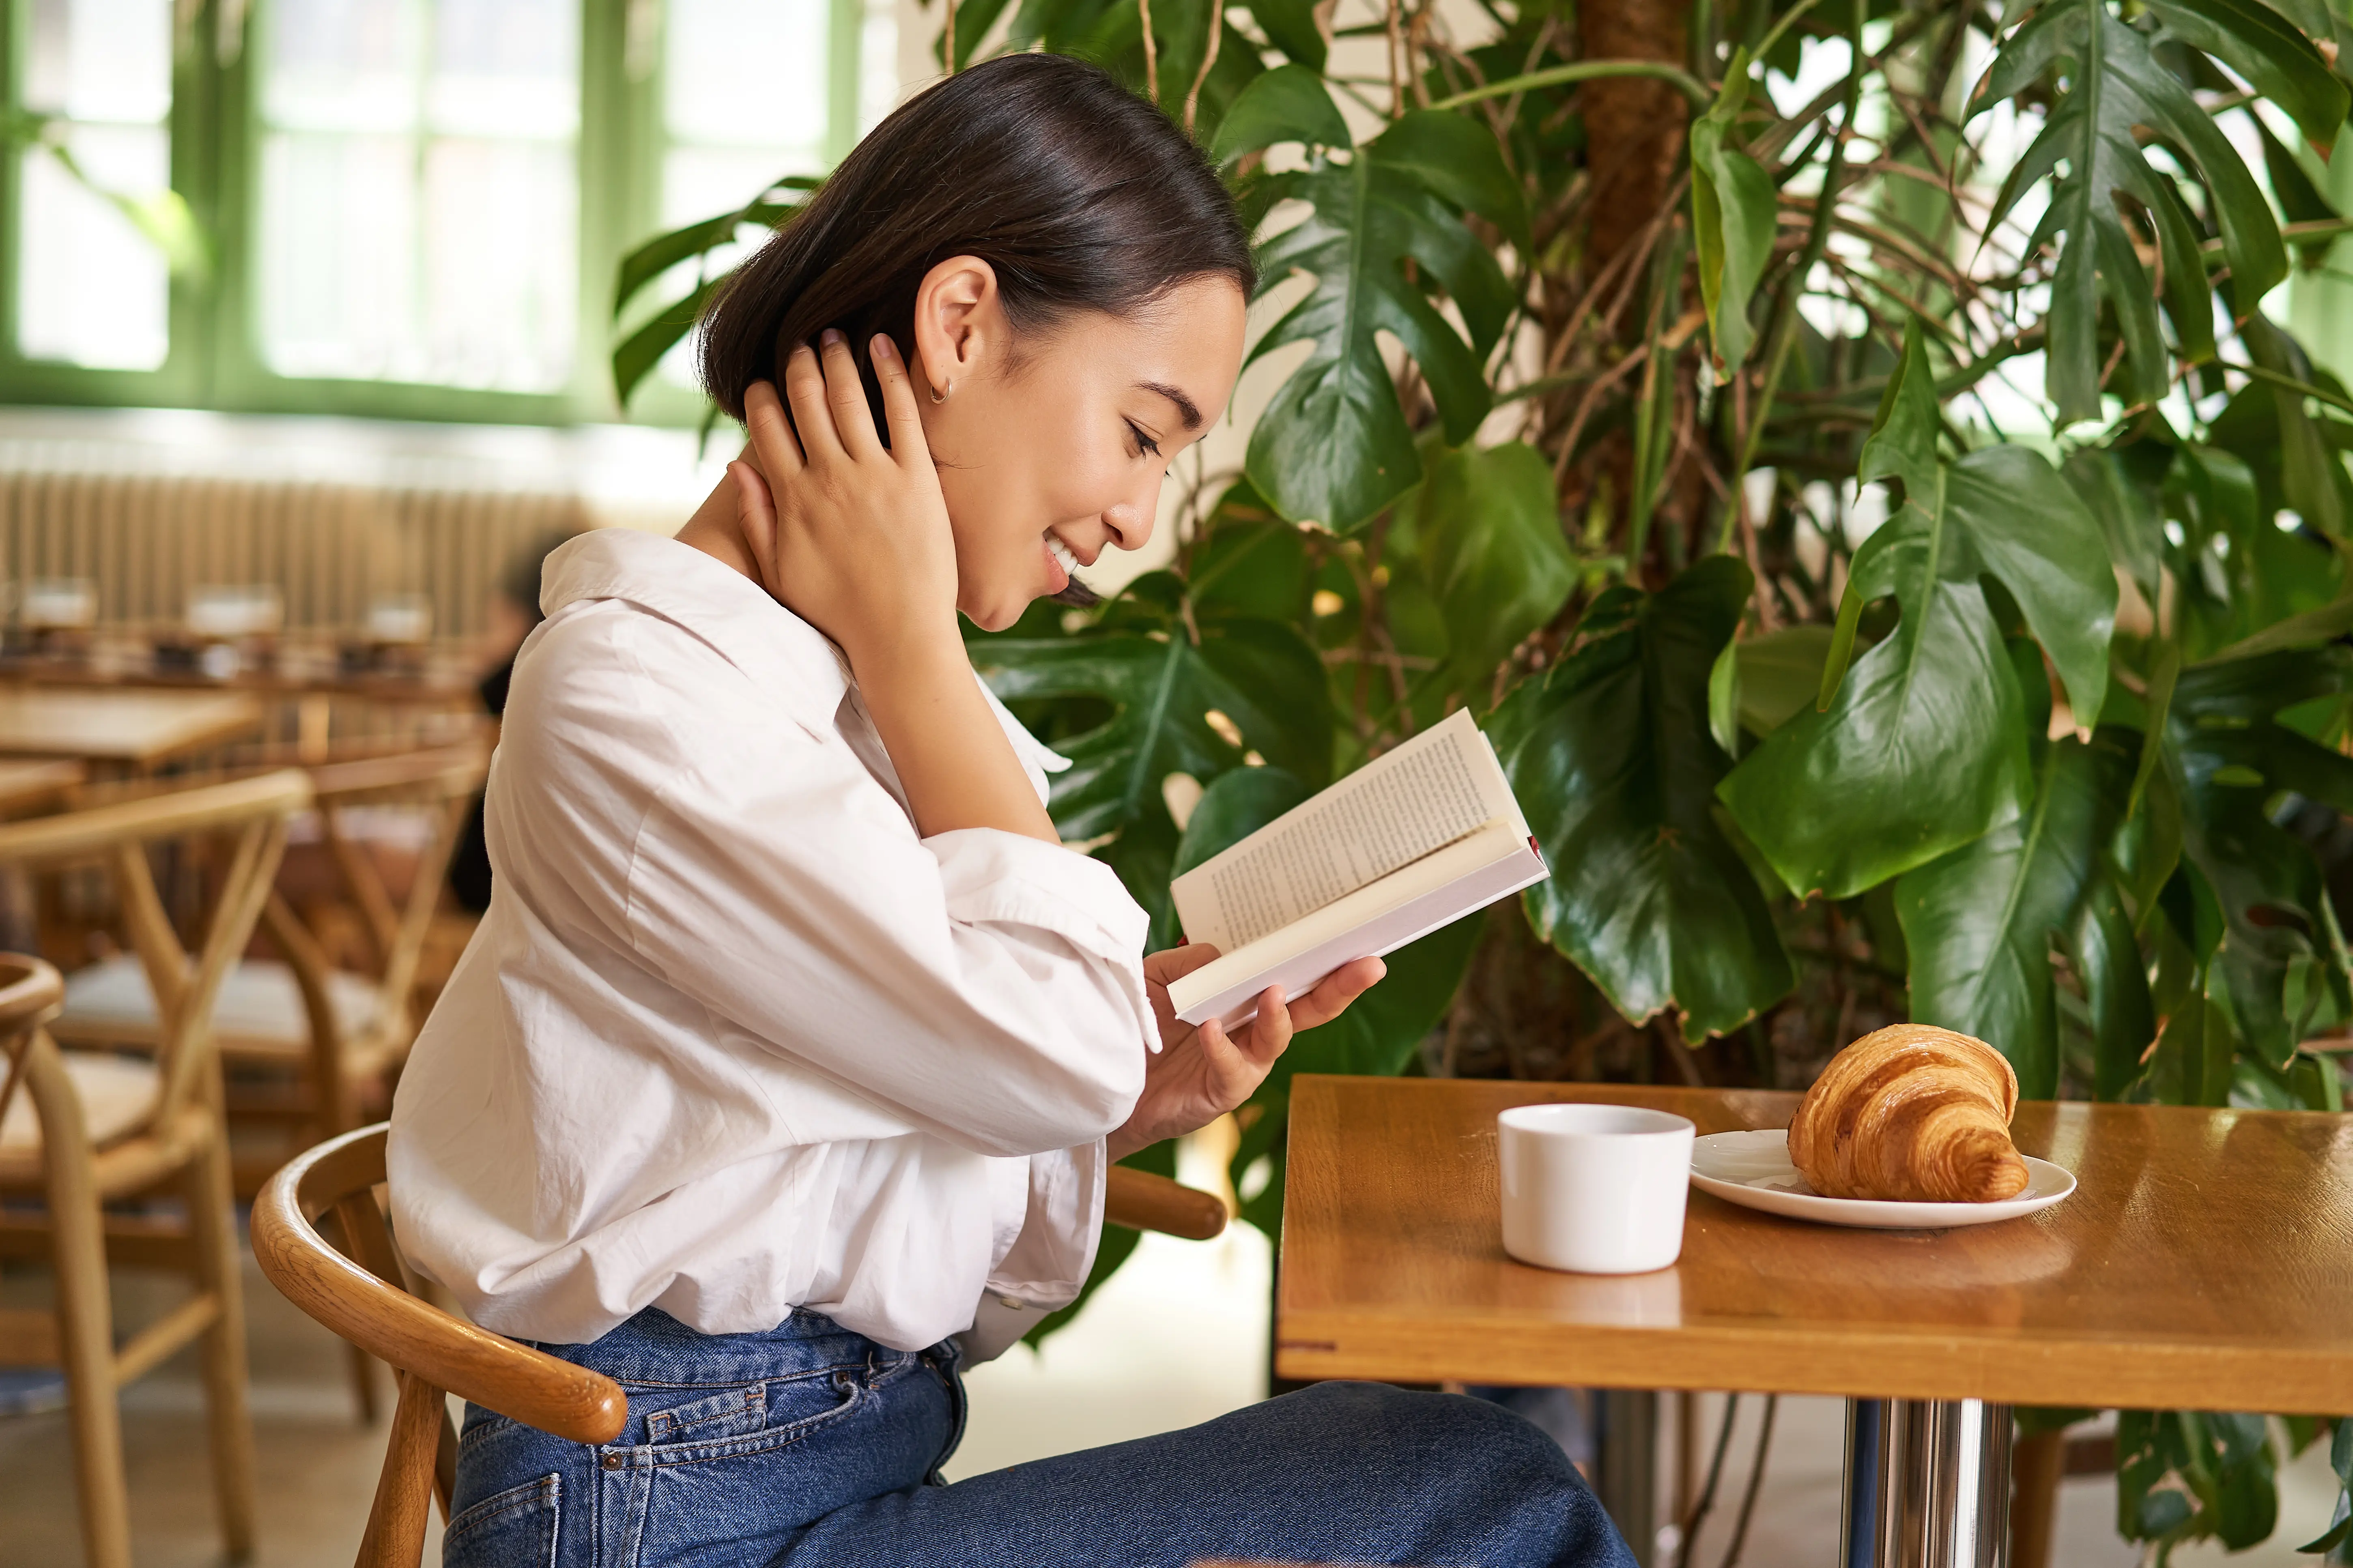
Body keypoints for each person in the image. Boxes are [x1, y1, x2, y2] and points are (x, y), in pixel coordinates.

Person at [387, 52, 1630, 1568]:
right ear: (963, 323)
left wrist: (1127, 1089)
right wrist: (917, 652)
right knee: (1484, 1495)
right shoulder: (635, 699)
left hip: (808, 1472)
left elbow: (861, 1127)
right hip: (669, 1519)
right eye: (1145, 431)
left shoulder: (822, 690)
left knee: (1450, 1469)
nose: (1135, 517)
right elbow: (1036, 1041)